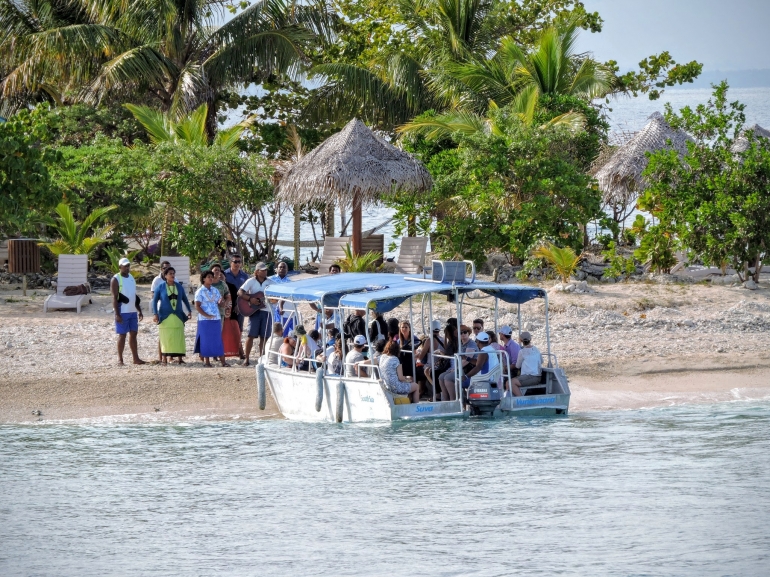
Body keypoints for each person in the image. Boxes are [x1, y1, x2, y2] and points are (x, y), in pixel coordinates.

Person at [151, 266, 191, 365]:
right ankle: (164, 359)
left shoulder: (179, 286)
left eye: (173, 273)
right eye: (170, 274)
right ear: (165, 276)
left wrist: (189, 310)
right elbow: (154, 301)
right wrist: (155, 314)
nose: (172, 275)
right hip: (165, 315)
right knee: (166, 336)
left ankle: (180, 359)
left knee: (179, 335)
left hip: (177, 315)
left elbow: (185, 299)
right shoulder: (160, 287)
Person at [111, 257, 145, 366]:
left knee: (134, 334)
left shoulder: (131, 277)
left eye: (128, 265)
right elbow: (114, 297)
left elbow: (133, 295)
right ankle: (120, 359)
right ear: (120, 267)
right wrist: (117, 314)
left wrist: (139, 310)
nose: (127, 268)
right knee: (122, 335)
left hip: (132, 311)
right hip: (122, 311)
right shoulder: (115, 279)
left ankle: (136, 358)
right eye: (125, 266)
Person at [238, 262, 273, 366]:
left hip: (267, 311)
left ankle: (262, 359)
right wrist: (250, 299)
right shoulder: (251, 281)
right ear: (257, 271)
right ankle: (247, 358)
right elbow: (240, 292)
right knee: (251, 335)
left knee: (265, 336)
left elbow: (276, 295)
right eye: (263, 270)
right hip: (254, 311)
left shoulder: (271, 282)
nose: (265, 272)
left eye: (266, 270)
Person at [194, 270, 227, 367]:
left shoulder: (215, 290)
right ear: (203, 279)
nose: (211, 278)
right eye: (208, 277)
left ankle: (223, 361)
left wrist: (222, 302)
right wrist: (206, 315)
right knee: (206, 340)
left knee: (217, 339)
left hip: (216, 318)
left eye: (212, 277)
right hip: (204, 320)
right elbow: (197, 306)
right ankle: (207, 362)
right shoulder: (199, 291)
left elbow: (220, 302)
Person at [438, 325, 478, 401]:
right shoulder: (461, 344)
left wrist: (455, 368)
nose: (463, 334)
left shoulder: (471, 344)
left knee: (448, 378)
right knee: (441, 376)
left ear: (468, 333)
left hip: (469, 370)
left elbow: (467, 360)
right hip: (461, 368)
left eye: (465, 332)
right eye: (460, 333)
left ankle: (454, 401)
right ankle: (446, 400)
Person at [427, 323, 457, 400]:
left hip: (451, 364)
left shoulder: (454, 343)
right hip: (449, 363)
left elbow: (448, 355)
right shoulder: (451, 342)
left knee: (435, 372)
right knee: (434, 372)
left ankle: (438, 394)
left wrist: (440, 352)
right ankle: (441, 395)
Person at [509, 331, 541, 396]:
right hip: (537, 376)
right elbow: (541, 361)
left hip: (531, 377)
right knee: (511, 382)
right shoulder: (536, 349)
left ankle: (521, 400)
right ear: (530, 339)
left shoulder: (522, 352)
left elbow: (517, 366)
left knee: (510, 383)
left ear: (520, 340)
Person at [224, 254, 249, 332]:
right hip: (226, 303)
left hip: (239, 305)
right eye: (235, 262)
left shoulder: (245, 276)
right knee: (226, 327)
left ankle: (238, 344)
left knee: (239, 328)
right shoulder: (224, 275)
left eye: (239, 262)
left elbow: (247, 292)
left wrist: (239, 305)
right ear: (230, 262)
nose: (237, 264)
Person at [270, 261, 295, 335]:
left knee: (281, 329)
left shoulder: (290, 282)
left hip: (282, 309)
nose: (282, 269)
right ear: (276, 269)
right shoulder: (270, 280)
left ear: (287, 270)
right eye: (280, 267)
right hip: (271, 306)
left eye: (284, 267)